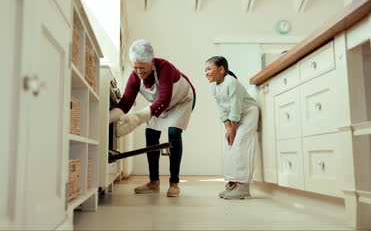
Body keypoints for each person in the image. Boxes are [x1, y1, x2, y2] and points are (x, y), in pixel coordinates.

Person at [109, 39, 196, 197]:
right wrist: (106, 118)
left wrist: (138, 118)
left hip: (181, 101)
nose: (138, 71)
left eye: (142, 67)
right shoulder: (135, 76)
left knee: (174, 134)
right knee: (151, 134)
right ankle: (154, 182)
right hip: (160, 104)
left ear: (151, 61)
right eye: (135, 67)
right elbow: (126, 103)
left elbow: (165, 100)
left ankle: (174, 183)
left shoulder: (164, 68)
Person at [204, 56, 259, 200]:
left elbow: (235, 108)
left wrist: (233, 129)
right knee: (230, 145)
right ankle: (234, 183)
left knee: (240, 144)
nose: (206, 73)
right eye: (205, 70)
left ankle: (244, 188)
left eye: (209, 69)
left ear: (221, 69)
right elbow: (222, 110)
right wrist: (229, 129)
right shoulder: (213, 87)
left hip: (248, 113)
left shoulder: (231, 82)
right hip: (235, 118)